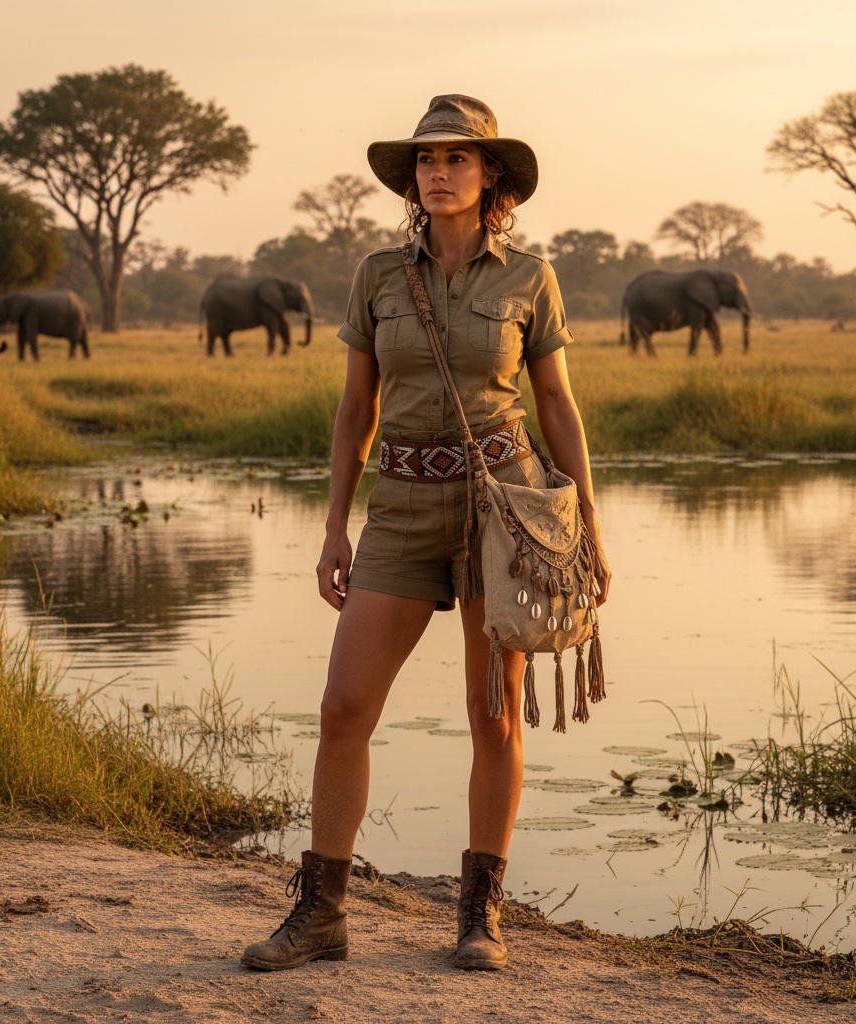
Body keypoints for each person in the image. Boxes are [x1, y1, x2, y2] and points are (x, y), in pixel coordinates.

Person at [241, 94, 611, 973]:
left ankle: (480, 915)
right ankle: (322, 913)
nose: (437, 172)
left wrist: (586, 523)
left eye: (456, 159)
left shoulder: (531, 277)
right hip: (401, 506)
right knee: (343, 708)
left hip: (505, 509)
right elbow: (355, 409)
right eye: (425, 160)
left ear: (492, 178)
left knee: (493, 717)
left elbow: (555, 402)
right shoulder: (376, 275)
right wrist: (334, 525)